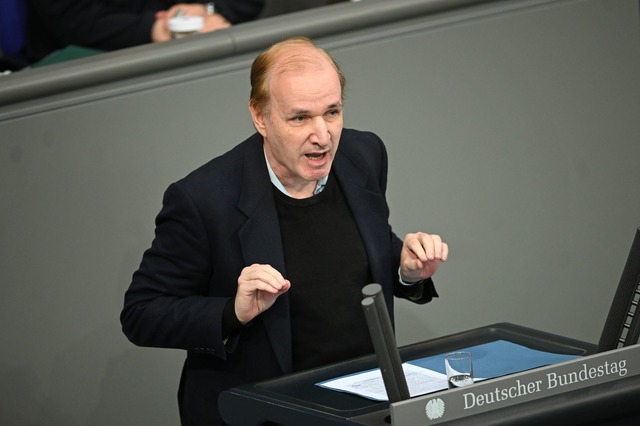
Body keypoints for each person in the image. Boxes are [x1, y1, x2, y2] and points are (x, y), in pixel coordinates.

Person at [120, 36, 449, 425]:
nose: (323, 136)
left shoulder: (365, 155)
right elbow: (141, 313)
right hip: (263, 413)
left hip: (362, 408)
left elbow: (356, 249)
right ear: (260, 116)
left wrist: (403, 269)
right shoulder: (203, 199)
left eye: (332, 112)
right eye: (300, 118)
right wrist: (232, 312)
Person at [24, 0, 264, 63]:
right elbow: (72, 19)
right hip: (85, 66)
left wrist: (208, 9)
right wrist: (152, 28)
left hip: (203, 53)